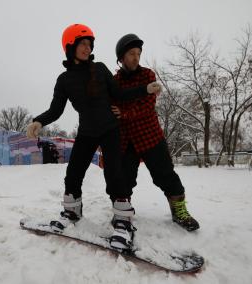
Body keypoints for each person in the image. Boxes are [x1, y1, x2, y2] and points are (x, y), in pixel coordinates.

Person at [26, 24, 161, 249]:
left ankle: (123, 220)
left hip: (110, 128)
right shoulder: (64, 79)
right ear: (70, 47)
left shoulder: (99, 69)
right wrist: (39, 121)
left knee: (114, 172)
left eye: (90, 44)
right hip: (87, 131)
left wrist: (144, 89)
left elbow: (118, 94)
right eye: (83, 44)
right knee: (74, 172)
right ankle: (72, 212)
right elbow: (56, 109)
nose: (87, 48)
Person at [111, 34, 200, 231]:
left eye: (138, 53)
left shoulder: (148, 75)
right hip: (126, 140)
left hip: (150, 135)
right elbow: (111, 106)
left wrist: (124, 113)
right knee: (124, 178)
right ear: (121, 57)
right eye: (131, 53)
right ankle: (123, 213)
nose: (136, 57)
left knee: (165, 174)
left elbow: (147, 106)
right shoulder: (114, 81)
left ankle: (180, 211)